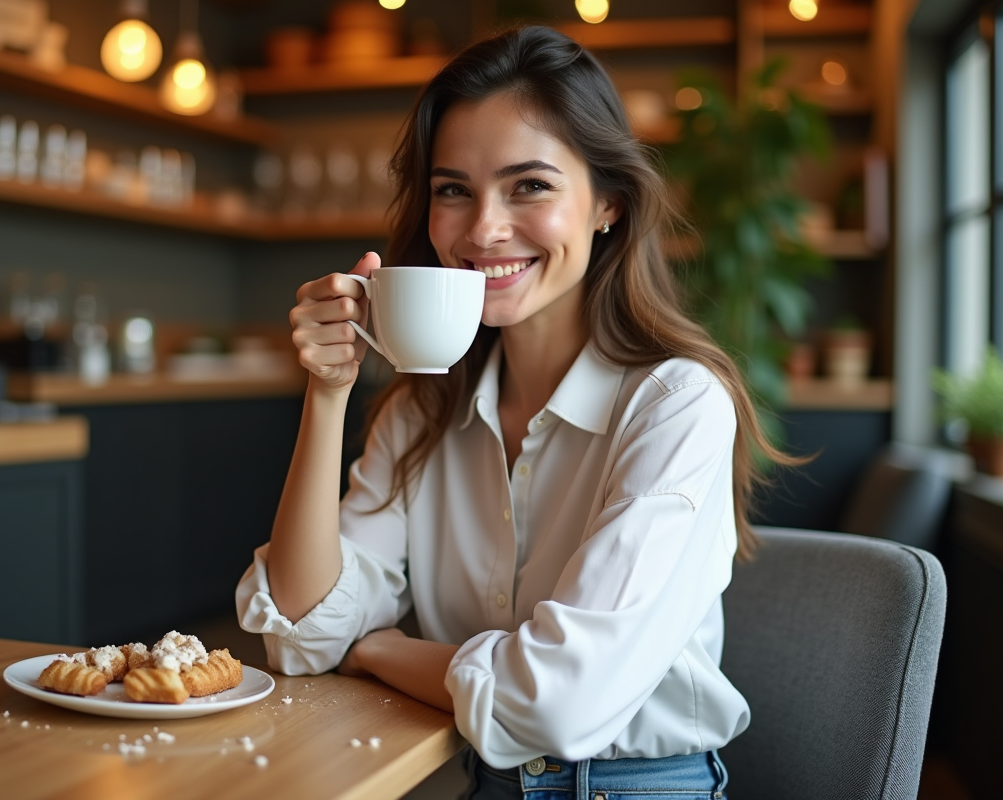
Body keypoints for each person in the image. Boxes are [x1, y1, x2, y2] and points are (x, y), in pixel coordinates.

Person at [237, 25, 796, 799]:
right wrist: (327, 393)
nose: (482, 230)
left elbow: (556, 704)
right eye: (453, 190)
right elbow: (300, 632)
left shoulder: (677, 405)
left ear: (607, 204)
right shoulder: (424, 408)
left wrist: (376, 651)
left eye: (529, 185)